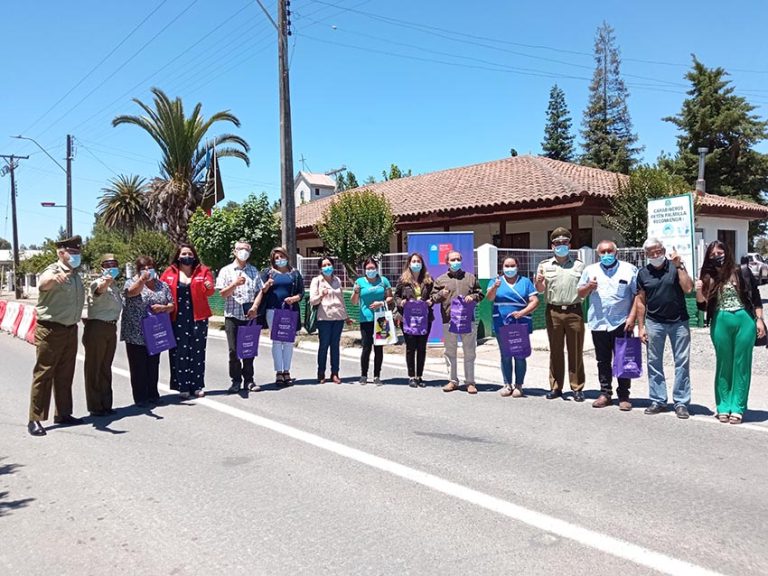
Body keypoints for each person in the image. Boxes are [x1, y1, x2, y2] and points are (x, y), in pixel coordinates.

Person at [696, 240, 766, 424]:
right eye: (712, 254)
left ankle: (738, 407)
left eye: (720, 252)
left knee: (742, 365)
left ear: (727, 252)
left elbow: (756, 298)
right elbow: (701, 306)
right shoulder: (707, 275)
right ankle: (723, 406)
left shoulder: (741, 271)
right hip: (720, 320)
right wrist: (699, 291)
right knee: (723, 364)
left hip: (744, 320)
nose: (717, 256)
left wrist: (759, 320)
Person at [27, 236, 86, 436]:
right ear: (61, 253)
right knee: (44, 374)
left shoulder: (76, 274)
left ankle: (63, 413)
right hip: (51, 330)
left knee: (65, 374)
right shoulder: (53, 270)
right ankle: (35, 418)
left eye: (78, 252)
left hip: (70, 329)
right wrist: (54, 279)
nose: (77, 255)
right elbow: (43, 284)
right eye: (73, 252)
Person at [634, 237, 694, 419]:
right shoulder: (643, 273)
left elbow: (688, 288)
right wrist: (641, 327)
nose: (655, 254)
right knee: (654, 362)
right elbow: (641, 301)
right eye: (651, 252)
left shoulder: (675, 267)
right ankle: (658, 399)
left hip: (679, 322)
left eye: (658, 250)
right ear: (646, 254)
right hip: (654, 323)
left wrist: (679, 266)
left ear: (663, 250)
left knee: (682, 362)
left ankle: (681, 402)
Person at [577, 241, 638, 411]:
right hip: (599, 322)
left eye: (609, 251)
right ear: (598, 254)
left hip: (622, 322)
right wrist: (589, 286)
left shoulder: (629, 269)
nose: (606, 254)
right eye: (602, 252)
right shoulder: (590, 270)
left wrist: (632, 318)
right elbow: (580, 293)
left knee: (623, 360)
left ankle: (624, 395)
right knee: (603, 360)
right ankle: (605, 393)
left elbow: (638, 296)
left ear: (616, 252)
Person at [535, 228, 586, 401]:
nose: (561, 246)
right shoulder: (544, 265)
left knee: (576, 350)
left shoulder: (579, 265)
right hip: (554, 311)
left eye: (564, 243)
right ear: (552, 246)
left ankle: (577, 387)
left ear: (569, 245)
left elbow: (585, 289)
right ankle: (556, 386)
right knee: (555, 351)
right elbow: (540, 290)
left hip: (574, 311)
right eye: (557, 243)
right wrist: (539, 283)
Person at [161, 244, 215, 399]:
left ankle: (197, 386)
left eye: (190, 254)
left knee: (197, 351)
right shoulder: (169, 272)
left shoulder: (203, 271)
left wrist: (208, 286)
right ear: (178, 256)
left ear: (194, 256)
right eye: (184, 253)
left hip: (198, 316)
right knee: (179, 352)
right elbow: (161, 289)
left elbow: (210, 291)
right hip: (177, 318)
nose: (187, 256)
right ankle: (182, 386)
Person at [121, 255, 174, 407]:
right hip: (136, 332)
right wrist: (142, 280)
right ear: (138, 270)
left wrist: (164, 308)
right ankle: (140, 397)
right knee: (138, 366)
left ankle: (153, 394)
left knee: (153, 364)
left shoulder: (162, 285)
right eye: (143, 268)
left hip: (155, 332)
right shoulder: (131, 282)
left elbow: (171, 305)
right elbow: (131, 292)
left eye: (150, 267)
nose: (147, 270)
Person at [432, 250, 484, 394]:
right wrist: (441, 294)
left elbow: (480, 294)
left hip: (467, 320)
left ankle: (470, 382)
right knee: (450, 351)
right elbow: (433, 298)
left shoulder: (470, 277)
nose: (455, 262)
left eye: (458, 259)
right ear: (447, 262)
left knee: (469, 351)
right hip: (448, 320)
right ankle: (452, 380)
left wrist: (473, 297)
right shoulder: (440, 279)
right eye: (452, 260)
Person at [216, 239, 264, 395]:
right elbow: (222, 294)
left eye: (247, 250)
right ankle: (236, 381)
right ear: (234, 251)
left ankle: (249, 380)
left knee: (248, 350)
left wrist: (255, 307)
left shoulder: (254, 271)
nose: (244, 252)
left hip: (249, 316)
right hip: (232, 316)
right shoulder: (226, 271)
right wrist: (235, 284)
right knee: (233, 351)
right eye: (240, 249)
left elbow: (260, 291)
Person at [486, 256, 539, 397]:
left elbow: (534, 301)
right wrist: (494, 288)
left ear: (517, 266)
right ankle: (507, 384)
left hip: (520, 323)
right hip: (501, 322)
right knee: (505, 355)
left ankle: (519, 385)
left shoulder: (525, 282)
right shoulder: (495, 281)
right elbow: (489, 298)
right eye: (507, 266)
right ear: (502, 267)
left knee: (520, 355)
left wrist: (522, 313)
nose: (509, 269)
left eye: (512, 265)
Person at [83, 253, 123, 417]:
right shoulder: (98, 282)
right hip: (97, 327)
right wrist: (105, 281)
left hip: (110, 328)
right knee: (94, 368)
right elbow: (99, 290)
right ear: (102, 268)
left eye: (114, 264)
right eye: (107, 265)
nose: (111, 267)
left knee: (105, 367)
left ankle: (106, 403)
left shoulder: (115, 287)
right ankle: (95, 406)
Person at [260, 247, 304, 386]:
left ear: (287, 256)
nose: (279, 260)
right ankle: (279, 372)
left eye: (281, 256)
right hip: (273, 311)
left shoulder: (295, 274)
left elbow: (301, 292)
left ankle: (287, 371)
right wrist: (267, 284)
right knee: (277, 342)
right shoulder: (268, 273)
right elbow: (261, 290)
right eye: (276, 258)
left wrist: (294, 298)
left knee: (289, 342)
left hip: (290, 311)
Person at [394, 252, 435, 387]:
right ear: (409, 264)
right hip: (408, 319)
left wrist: (431, 301)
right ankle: (411, 376)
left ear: (422, 264)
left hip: (424, 318)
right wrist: (401, 303)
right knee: (411, 347)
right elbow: (396, 297)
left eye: (418, 261)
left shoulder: (428, 280)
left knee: (421, 347)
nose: (416, 264)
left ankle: (419, 376)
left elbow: (434, 296)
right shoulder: (403, 280)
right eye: (414, 261)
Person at [350, 257, 393, 385]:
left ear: (377, 268)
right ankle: (363, 375)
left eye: (373, 268)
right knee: (366, 347)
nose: (371, 270)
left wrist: (382, 302)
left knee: (379, 347)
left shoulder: (383, 280)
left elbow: (390, 297)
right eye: (368, 268)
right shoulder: (359, 282)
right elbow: (353, 302)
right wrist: (356, 292)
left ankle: (377, 376)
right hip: (366, 319)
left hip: (381, 318)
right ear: (364, 270)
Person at [309, 257, 350, 384]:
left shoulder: (337, 280)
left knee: (335, 346)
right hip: (324, 318)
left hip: (338, 317)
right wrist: (321, 294)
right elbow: (312, 300)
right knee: (324, 346)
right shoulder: (316, 281)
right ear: (320, 268)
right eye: (324, 265)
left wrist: (346, 316)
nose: (327, 267)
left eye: (329, 264)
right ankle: (321, 372)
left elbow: (341, 299)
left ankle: (335, 373)